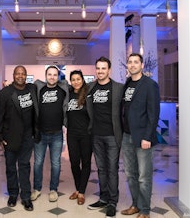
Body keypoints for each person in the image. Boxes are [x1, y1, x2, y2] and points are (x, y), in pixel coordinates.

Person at [120, 53, 160, 218]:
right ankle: (136, 205)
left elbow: (153, 113)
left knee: (144, 177)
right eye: (130, 62)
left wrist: (147, 137)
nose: (132, 64)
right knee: (130, 174)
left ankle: (145, 211)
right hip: (127, 136)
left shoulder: (150, 85)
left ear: (142, 65)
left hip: (142, 137)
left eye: (136, 62)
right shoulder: (128, 84)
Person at [0, 65, 39, 211]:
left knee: (25, 166)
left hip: (28, 136)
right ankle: (13, 194)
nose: (20, 76)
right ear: (13, 75)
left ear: (26, 75)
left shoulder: (32, 89)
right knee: (11, 167)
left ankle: (26, 197)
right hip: (10, 136)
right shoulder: (5, 93)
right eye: (17, 73)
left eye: (23, 74)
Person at [87, 56, 124, 218]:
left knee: (112, 169)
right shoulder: (90, 87)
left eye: (103, 68)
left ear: (109, 70)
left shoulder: (118, 88)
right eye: (98, 68)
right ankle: (103, 198)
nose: (100, 71)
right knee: (101, 169)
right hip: (96, 134)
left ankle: (112, 202)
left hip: (112, 136)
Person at [31, 65, 69, 202]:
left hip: (57, 134)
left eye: (55, 74)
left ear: (58, 76)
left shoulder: (63, 88)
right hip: (40, 134)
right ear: (45, 75)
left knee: (56, 164)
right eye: (49, 74)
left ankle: (53, 189)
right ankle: (37, 188)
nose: (52, 77)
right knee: (38, 163)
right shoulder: (39, 88)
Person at [66, 70, 93, 205]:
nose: (76, 82)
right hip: (71, 134)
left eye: (78, 79)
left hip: (86, 135)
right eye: (73, 79)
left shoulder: (88, 94)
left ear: (82, 80)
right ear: (70, 81)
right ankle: (78, 188)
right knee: (74, 163)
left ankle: (81, 192)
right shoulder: (68, 94)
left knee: (86, 163)